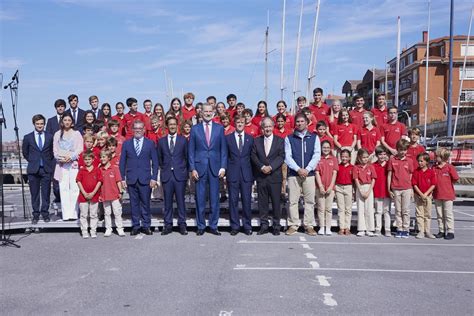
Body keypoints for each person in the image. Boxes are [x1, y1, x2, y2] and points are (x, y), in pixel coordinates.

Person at [189, 103, 227, 236]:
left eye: (210, 111)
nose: (208, 113)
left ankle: (213, 225)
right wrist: (192, 168)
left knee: (214, 199)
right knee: (200, 199)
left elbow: (223, 150)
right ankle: (200, 226)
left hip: (215, 168)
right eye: (205, 111)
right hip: (200, 168)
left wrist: (223, 167)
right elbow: (191, 151)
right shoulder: (195, 129)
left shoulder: (219, 128)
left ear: (214, 112)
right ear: (201, 113)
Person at [119, 120, 158, 235]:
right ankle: (136, 226)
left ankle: (146, 226)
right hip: (131, 179)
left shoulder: (150, 143)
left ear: (144, 130)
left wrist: (154, 177)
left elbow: (155, 162)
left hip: (145, 179)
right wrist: (122, 178)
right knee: (134, 204)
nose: (138, 130)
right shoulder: (126, 144)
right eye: (136, 128)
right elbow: (122, 163)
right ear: (132, 130)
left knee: (146, 203)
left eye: (140, 128)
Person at [284, 113, 321, 235]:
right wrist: (298, 169)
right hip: (294, 174)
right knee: (292, 201)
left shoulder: (314, 138)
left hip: (309, 174)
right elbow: (288, 157)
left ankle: (309, 225)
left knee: (309, 201)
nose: (299, 123)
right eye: (297, 122)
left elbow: (317, 155)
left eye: (302, 121)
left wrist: (308, 169)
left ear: (307, 123)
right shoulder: (289, 138)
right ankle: (293, 224)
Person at [251, 117, 285, 235]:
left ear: (273, 127)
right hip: (261, 176)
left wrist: (270, 167)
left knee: (276, 202)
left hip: (275, 176)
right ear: (262, 128)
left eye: (270, 126)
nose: (268, 129)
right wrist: (261, 167)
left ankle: (276, 226)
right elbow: (253, 156)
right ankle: (264, 225)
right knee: (262, 203)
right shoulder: (256, 141)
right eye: (266, 126)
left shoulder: (280, 140)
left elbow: (281, 156)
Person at [157, 117, 189, 236]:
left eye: (174, 124)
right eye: (170, 124)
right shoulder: (161, 141)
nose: (172, 126)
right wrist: (166, 168)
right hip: (167, 175)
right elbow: (160, 158)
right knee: (167, 202)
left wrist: (183, 170)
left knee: (181, 201)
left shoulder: (183, 140)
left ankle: (182, 224)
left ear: (177, 126)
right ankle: (168, 225)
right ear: (167, 126)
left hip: (179, 175)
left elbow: (186, 157)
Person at [22, 114, 55, 224]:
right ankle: (35, 214)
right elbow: (25, 153)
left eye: (41, 123)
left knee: (46, 193)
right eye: (37, 124)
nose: (40, 125)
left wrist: (48, 162)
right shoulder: (28, 137)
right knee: (34, 193)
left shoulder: (50, 136)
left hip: (46, 169)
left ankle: (45, 213)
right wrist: (33, 161)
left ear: (44, 124)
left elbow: (51, 152)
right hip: (33, 169)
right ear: (34, 124)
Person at [226, 114, 254, 236]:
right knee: (233, 201)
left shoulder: (250, 138)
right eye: (238, 122)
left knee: (247, 201)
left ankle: (247, 226)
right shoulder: (228, 138)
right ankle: (235, 226)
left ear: (245, 123)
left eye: (242, 122)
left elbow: (253, 158)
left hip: (247, 175)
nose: (240, 124)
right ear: (235, 123)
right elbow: (225, 156)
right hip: (233, 174)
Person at [53, 113, 83, 220]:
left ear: (72, 122)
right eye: (65, 120)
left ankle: (74, 213)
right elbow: (55, 151)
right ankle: (66, 215)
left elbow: (80, 149)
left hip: (74, 164)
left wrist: (71, 157)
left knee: (75, 188)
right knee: (64, 188)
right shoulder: (57, 134)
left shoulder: (77, 134)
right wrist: (61, 158)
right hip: (62, 165)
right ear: (62, 122)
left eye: (69, 120)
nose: (67, 122)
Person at [387, 139, 413, 238]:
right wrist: (389, 188)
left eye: (405, 150)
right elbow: (389, 175)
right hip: (396, 188)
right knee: (398, 210)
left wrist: (410, 189)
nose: (403, 152)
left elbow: (410, 174)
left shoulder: (409, 161)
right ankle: (399, 228)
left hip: (406, 188)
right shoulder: (392, 160)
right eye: (401, 149)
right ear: (397, 149)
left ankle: (406, 229)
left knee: (405, 210)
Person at [433, 147, 459, 240]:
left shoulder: (450, 167)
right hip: (437, 194)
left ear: (443, 157)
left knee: (448, 214)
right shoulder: (434, 168)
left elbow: (455, 178)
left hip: (448, 195)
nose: (435, 157)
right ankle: (441, 230)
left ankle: (450, 231)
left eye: (437, 156)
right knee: (439, 214)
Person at [76, 150, 102, 238]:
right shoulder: (82, 170)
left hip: (94, 195)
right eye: (86, 159)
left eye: (89, 159)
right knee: (83, 214)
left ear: (93, 159)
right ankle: (84, 231)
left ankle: (93, 230)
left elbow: (99, 182)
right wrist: (84, 193)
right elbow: (78, 181)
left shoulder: (97, 169)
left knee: (93, 214)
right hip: (83, 196)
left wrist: (93, 193)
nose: (87, 161)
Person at [99, 150, 125, 237]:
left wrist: (120, 191)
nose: (102, 159)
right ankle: (108, 229)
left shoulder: (114, 168)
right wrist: (99, 194)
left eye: (104, 157)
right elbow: (99, 183)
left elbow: (118, 181)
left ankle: (120, 228)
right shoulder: (100, 169)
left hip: (115, 195)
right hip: (105, 195)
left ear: (109, 158)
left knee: (117, 212)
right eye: (101, 157)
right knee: (107, 213)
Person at [315, 140, 338, 236]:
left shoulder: (334, 159)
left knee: (328, 209)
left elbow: (335, 173)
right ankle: (321, 227)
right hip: (319, 188)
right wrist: (320, 186)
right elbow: (316, 173)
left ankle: (328, 227)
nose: (326, 149)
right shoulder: (318, 159)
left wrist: (331, 187)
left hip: (330, 188)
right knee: (321, 208)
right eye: (324, 147)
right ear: (321, 148)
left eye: (328, 147)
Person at [412, 152, 437, 239]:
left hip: (428, 196)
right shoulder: (416, 171)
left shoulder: (431, 172)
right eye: (418, 161)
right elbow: (414, 184)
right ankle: (421, 231)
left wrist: (426, 194)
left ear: (427, 161)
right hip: (418, 195)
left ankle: (427, 231)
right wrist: (421, 194)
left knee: (427, 214)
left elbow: (433, 184)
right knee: (419, 213)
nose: (420, 163)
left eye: (422, 161)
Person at [46, 99, 66, 204]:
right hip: (55, 154)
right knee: (56, 178)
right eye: (58, 106)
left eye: (62, 106)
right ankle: (57, 197)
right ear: (56, 108)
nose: (60, 108)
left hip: (67, 153)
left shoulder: (68, 119)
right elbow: (48, 137)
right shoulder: (51, 121)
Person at [353, 148, 377, 237]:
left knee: (369, 209)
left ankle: (370, 228)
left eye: (367, 157)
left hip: (369, 188)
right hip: (360, 187)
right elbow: (356, 179)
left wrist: (369, 191)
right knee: (361, 209)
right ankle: (361, 228)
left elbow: (373, 179)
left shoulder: (371, 166)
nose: (365, 159)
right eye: (363, 157)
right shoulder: (356, 167)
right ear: (359, 158)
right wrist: (360, 190)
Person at [373, 146, 392, 237]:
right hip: (377, 192)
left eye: (384, 154)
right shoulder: (373, 165)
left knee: (387, 211)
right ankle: (378, 228)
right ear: (376, 155)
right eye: (380, 154)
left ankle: (387, 229)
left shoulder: (389, 164)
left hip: (387, 192)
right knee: (378, 211)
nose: (382, 156)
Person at [335, 149, 353, 235]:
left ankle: (347, 227)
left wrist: (354, 191)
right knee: (341, 208)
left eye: (346, 157)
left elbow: (354, 180)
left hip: (349, 187)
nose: (344, 158)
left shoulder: (352, 167)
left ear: (349, 158)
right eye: (342, 156)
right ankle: (341, 227)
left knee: (348, 209)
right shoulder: (338, 167)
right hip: (339, 187)